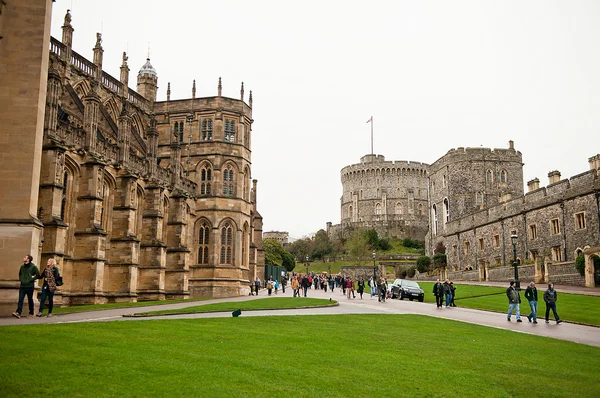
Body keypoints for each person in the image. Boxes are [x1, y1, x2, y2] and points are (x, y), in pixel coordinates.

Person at [12, 255, 40, 319]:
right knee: (20, 300)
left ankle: (31, 312)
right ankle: (18, 313)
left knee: (30, 299)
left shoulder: (33, 267)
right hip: (22, 286)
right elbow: (20, 274)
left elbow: (38, 275)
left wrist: (31, 279)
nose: (24, 258)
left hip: (30, 286)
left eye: (25, 257)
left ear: (28, 259)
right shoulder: (22, 267)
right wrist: (21, 279)